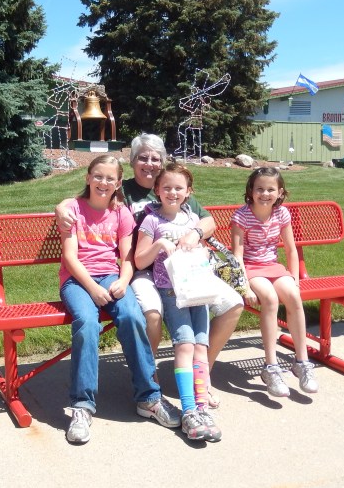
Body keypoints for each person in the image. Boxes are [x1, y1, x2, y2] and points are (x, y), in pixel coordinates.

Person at [56, 134, 243, 408]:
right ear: (132, 162)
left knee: (233, 304)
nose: (149, 163)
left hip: (180, 271)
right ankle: (150, 380)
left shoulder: (172, 185)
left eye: (155, 158)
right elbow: (88, 196)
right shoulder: (121, 190)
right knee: (150, 313)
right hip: (142, 269)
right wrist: (61, 207)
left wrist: (195, 233)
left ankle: (201, 375)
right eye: (143, 157)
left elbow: (208, 221)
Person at [58, 154, 180, 444]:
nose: (103, 182)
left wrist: (124, 282)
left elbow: (127, 257)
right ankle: (82, 406)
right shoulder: (72, 209)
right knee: (88, 323)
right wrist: (92, 288)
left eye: (110, 178)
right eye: (98, 176)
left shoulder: (121, 212)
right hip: (77, 280)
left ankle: (149, 398)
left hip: (111, 278)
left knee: (133, 317)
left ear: (117, 183)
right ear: (88, 178)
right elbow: (70, 258)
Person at [135, 163, 222, 442]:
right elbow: (139, 260)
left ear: (188, 192)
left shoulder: (191, 218)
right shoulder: (151, 221)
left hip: (198, 290)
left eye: (179, 188)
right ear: (157, 190)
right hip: (171, 292)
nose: (173, 192)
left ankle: (201, 407)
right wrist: (159, 245)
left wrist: (199, 245)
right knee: (184, 345)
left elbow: (204, 240)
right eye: (167, 187)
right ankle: (188, 411)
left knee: (200, 346)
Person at [230, 167, 318, 397]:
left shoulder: (282, 214)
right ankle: (270, 367)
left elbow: (290, 249)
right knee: (269, 299)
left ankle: (301, 362)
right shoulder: (241, 216)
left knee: (293, 296)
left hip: (273, 266)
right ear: (251, 190)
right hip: (251, 268)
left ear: (280, 192)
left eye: (271, 189)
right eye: (260, 189)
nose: (265, 194)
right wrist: (244, 286)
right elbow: (237, 255)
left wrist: (295, 279)